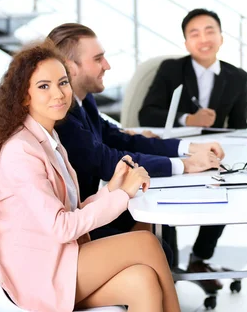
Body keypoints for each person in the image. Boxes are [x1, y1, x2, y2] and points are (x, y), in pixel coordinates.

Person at [0, 45, 180, 312]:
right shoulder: (21, 150)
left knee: (142, 280)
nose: (59, 93)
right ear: (24, 96)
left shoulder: (47, 137)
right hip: (37, 272)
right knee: (146, 243)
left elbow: (70, 211)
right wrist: (123, 196)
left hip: (56, 257)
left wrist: (113, 187)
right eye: (44, 86)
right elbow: (63, 227)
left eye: (63, 82)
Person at [47, 23, 226, 292]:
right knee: (158, 242)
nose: (107, 65)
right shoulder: (65, 118)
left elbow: (121, 139)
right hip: (79, 223)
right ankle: (157, 292)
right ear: (69, 67)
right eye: (97, 59)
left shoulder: (84, 102)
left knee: (158, 221)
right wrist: (184, 165)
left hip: (89, 209)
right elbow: (107, 160)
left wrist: (187, 150)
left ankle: (160, 294)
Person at [138, 8, 247, 129]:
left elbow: (239, 127)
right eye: (195, 34)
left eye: (210, 32)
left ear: (221, 38)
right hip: (178, 144)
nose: (204, 40)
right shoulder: (170, 69)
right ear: (186, 44)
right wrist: (188, 119)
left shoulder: (238, 77)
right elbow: (147, 115)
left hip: (216, 144)